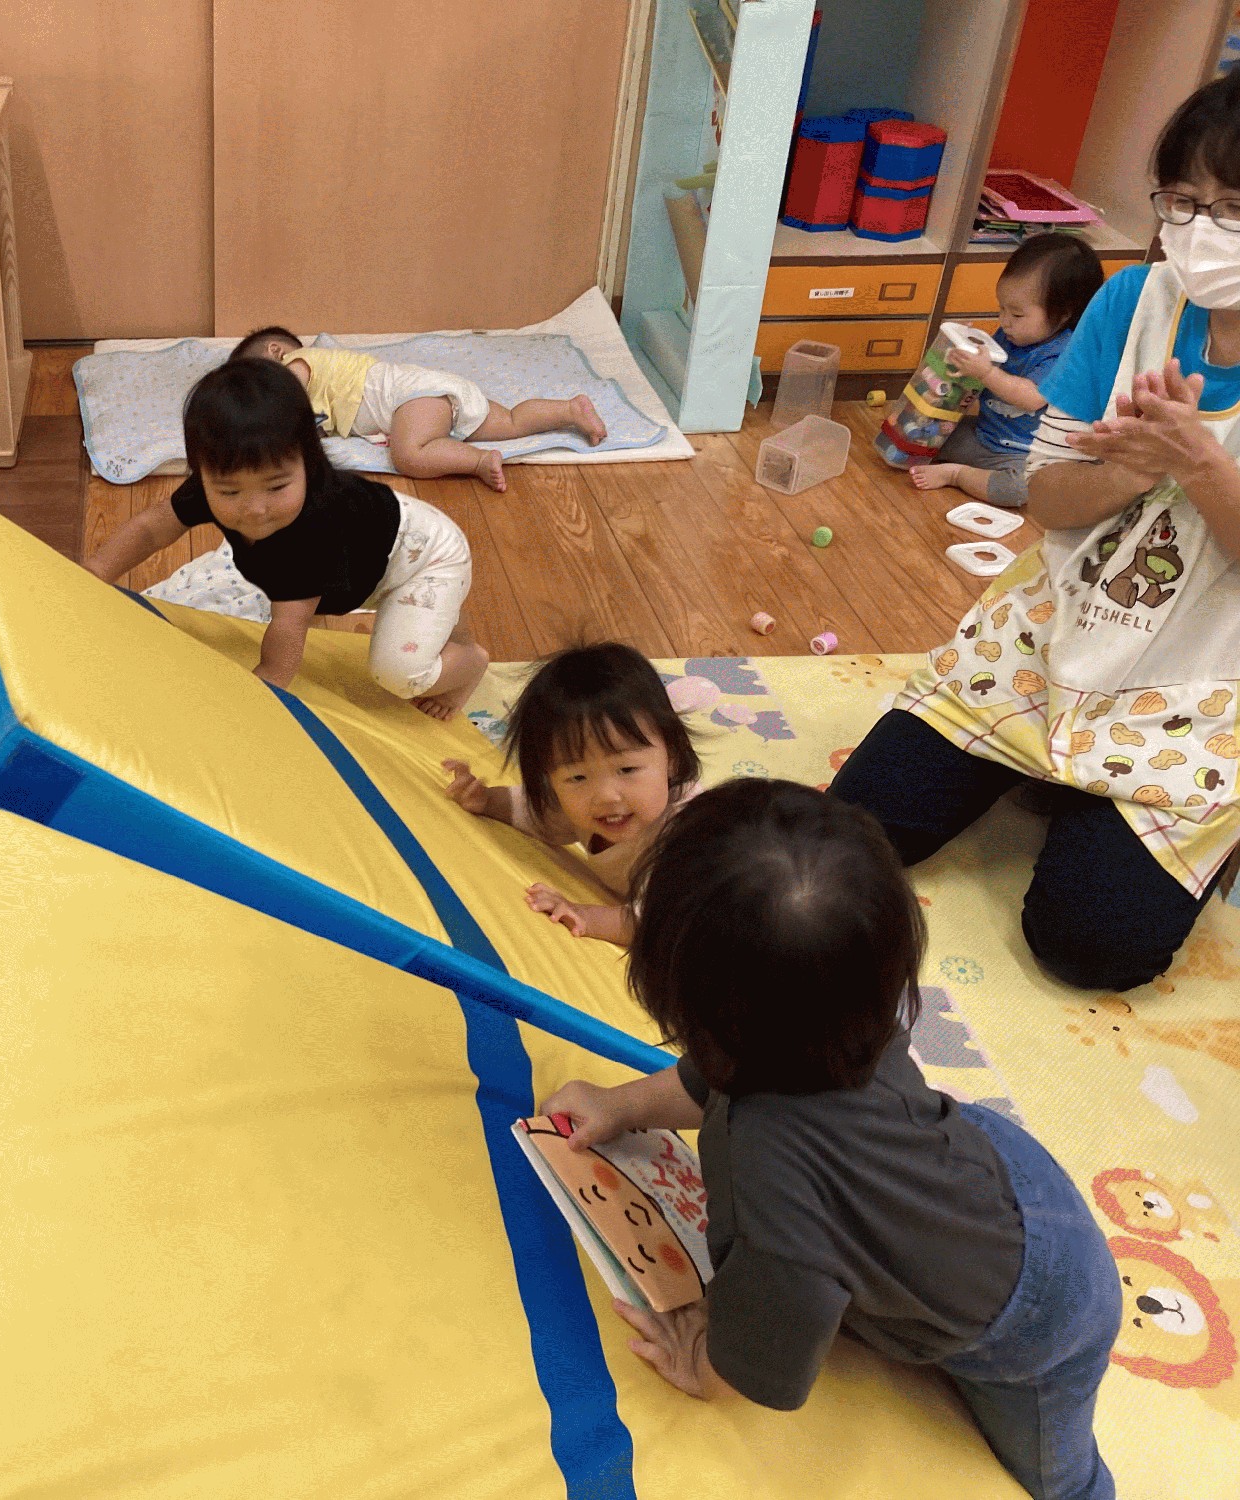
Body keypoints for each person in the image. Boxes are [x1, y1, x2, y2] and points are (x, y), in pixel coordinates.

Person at [542, 780, 1119, 1500]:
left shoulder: (770, 1176)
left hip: (1041, 1315)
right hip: (1001, 1164)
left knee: (1060, 1478)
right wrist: (622, 1105)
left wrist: (703, 1366)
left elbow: (776, 1332)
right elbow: (719, 1075)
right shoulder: (847, 1010)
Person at [835, 72, 1240, 991]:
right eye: (1183, 202)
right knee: (857, 829)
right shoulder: (1134, 301)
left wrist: (1200, 465)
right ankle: (1055, 768)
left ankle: (1142, 803)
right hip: (1063, 627)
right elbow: (1047, 499)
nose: (1201, 231)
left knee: (1088, 947)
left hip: (1204, 685)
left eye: (1233, 209)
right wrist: (1129, 472)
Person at [85, 358, 489, 718]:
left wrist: (256, 695)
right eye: (229, 492)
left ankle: (470, 662)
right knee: (419, 618)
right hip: (381, 545)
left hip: (424, 558)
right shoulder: (220, 484)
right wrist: (97, 569)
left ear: (308, 463)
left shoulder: (313, 530)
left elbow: (287, 637)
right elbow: (152, 527)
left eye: (277, 486)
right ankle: (445, 618)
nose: (254, 508)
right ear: (202, 473)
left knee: (398, 674)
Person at [441, 642, 698, 943]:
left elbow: (656, 922)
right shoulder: (578, 807)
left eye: (627, 770)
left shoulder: (685, 838)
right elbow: (535, 812)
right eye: (577, 777)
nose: (605, 796)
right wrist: (485, 799)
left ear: (673, 758)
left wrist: (584, 915)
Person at [228, 326, 608, 494]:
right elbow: (316, 422)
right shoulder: (317, 390)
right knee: (509, 420)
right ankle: (569, 410)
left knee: (408, 454)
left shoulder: (299, 364)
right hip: (434, 392)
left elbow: (288, 402)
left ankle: (477, 461)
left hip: (410, 398)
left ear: (277, 352)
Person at [909, 233, 1105, 507]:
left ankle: (958, 474)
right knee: (923, 430)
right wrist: (964, 354)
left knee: (1021, 490)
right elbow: (979, 379)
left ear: (1063, 314)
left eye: (1017, 314)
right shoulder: (1011, 335)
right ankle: (967, 465)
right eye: (1002, 309)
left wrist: (986, 372)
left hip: (1022, 455)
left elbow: (1030, 398)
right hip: (983, 435)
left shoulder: (1064, 352)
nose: (1004, 321)